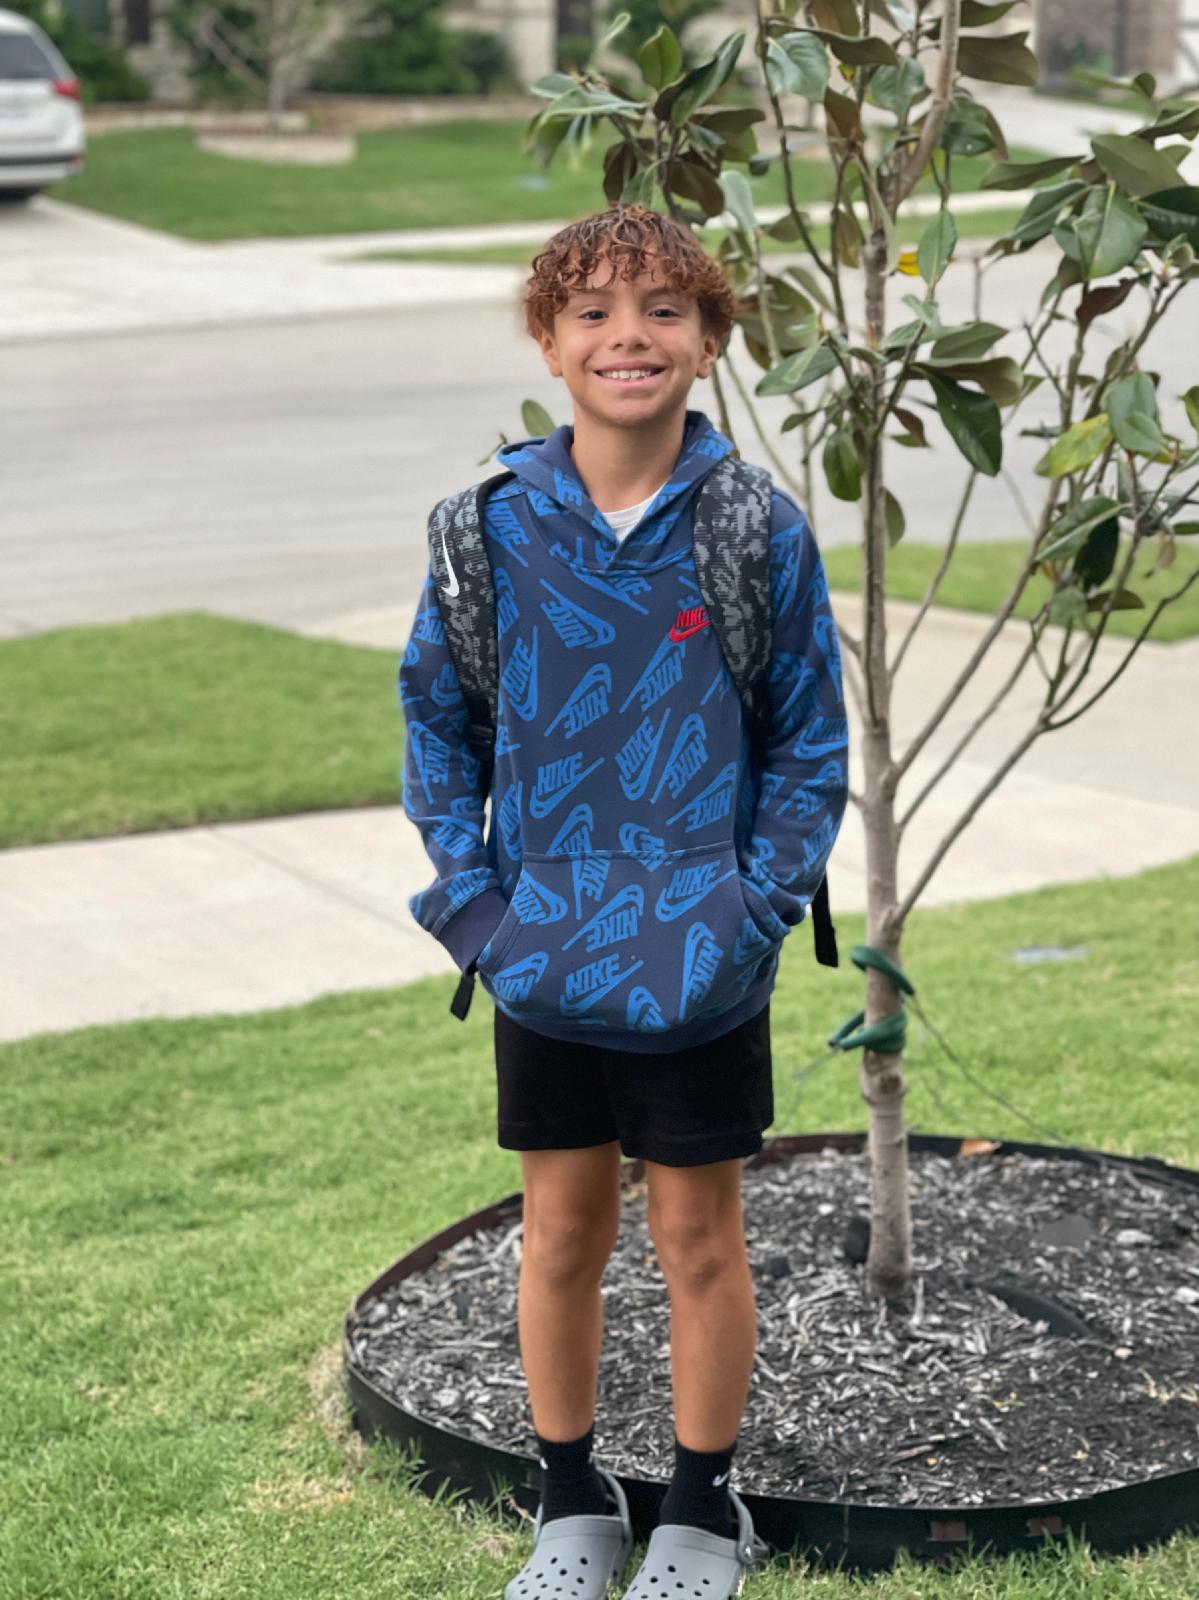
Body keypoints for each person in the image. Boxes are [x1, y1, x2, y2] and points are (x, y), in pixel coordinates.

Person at [399, 203, 848, 1600]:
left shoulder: (755, 530)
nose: (627, 337)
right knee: (560, 1234)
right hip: (542, 954)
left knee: (700, 1239)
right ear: (550, 343)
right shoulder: (485, 532)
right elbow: (438, 727)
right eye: (591, 312)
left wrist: (753, 912)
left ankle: (704, 1513)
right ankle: (572, 1500)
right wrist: (478, 914)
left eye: (663, 309)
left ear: (710, 342)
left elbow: (809, 746)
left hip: (701, 962)